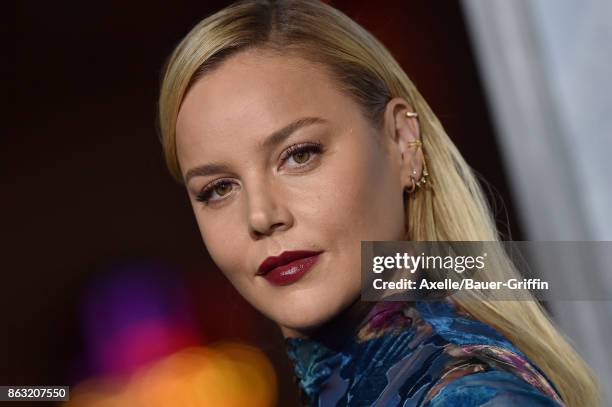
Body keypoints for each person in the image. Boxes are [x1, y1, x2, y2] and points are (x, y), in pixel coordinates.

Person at [156, 0, 600, 405]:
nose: (261, 216)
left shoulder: (468, 396)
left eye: (299, 155)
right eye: (218, 188)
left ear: (401, 142)